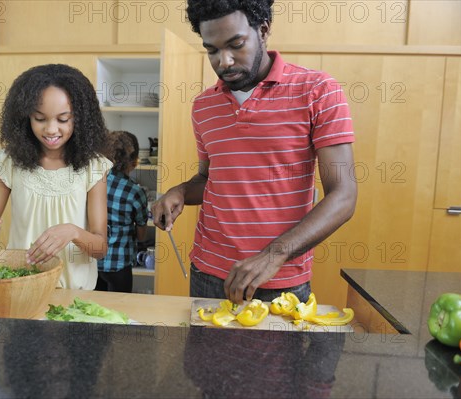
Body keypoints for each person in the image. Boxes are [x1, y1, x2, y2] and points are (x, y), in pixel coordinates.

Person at [152, 0, 357, 304]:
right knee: (202, 353)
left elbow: (344, 196)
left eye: (236, 44)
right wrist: (180, 191)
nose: (224, 61)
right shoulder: (203, 106)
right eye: (212, 50)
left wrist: (272, 256)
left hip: (280, 279)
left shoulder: (317, 90)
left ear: (263, 30)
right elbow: (210, 180)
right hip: (208, 274)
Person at [0, 64, 112, 290]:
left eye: (63, 119)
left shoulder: (93, 167)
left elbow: (100, 248)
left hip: (75, 295)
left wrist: (73, 232)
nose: (51, 130)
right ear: (25, 117)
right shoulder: (9, 162)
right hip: (21, 289)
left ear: (80, 119)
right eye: (40, 118)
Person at [96, 131, 148, 293]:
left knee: (94, 310)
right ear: (134, 162)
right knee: (120, 311)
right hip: (120, 264)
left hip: (93, 262)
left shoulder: (94, 182)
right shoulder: (135, 192)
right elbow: (141, 234)